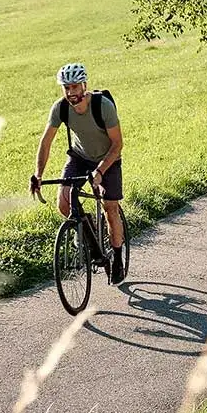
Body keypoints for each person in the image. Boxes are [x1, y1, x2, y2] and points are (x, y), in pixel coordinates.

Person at [31, 62, 126, 283]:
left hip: (108, 158)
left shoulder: (103, 106)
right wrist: (38, 174)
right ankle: (89, 229)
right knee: (64, 204)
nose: (71, 92)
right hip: (79, 157)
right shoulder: (60, 108)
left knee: (110, 207)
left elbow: (118, 144)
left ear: (84, 85)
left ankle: (117, 258)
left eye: (75, 87)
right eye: (66, 88)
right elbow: (46, 142)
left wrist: (101, 171)